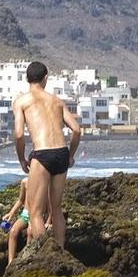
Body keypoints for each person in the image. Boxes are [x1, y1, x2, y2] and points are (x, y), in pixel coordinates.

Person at [12, 61, 82, 248]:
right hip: (61, 153)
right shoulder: (57, 101)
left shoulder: (21, 101)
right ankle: (59, 250)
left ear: (27, 78)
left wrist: (21, 158)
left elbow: (19, 134)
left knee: (35, 212)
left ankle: (44, 252)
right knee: (56, 209)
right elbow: (76, 130)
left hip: (42, 154)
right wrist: (70, 156)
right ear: (45, 79)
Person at [0, 177, 33, 263]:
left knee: (30, 232)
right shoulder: (25, 182)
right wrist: (11, 213)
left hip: (37, 215)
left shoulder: (43, 181)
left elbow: (49, 203)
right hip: (25, 214)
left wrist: (49, 220)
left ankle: (27, 258)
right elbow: (21, 200)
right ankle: (10, 263)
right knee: (13, 231)